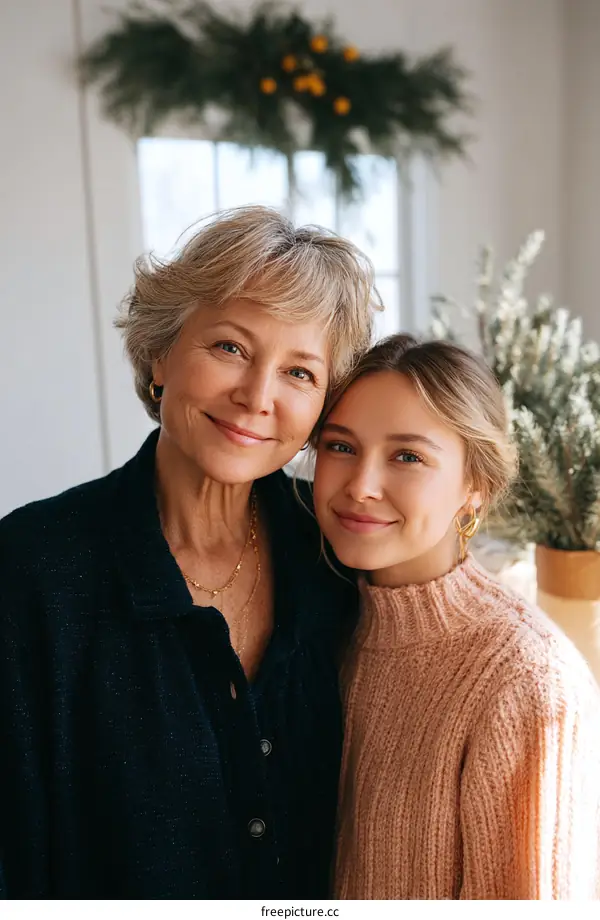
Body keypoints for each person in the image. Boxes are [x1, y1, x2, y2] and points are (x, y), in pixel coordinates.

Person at [0, 205, 379, 898]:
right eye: (230, 348)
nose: (256, 396)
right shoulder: (30, 569)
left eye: (300, 373)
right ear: (160, 354)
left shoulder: (335, 555)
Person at [311, 333, 600, 900]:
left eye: (408, 456)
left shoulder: (525, 676)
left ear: (475, 487)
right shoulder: (318, 622)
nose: (361, 487)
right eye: (340, 447)